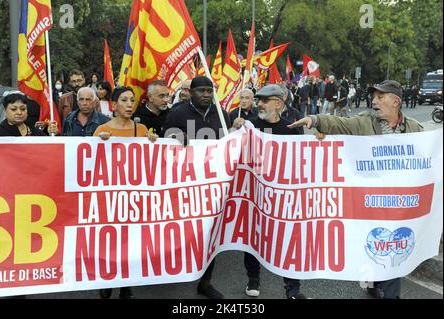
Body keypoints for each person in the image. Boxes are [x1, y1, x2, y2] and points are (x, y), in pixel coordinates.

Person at [288, 80, 423, 299]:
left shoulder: (415, 128)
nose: (374, 101)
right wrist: (315, 120)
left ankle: (387, 290)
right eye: (374, 96)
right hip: (368, 200)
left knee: (392, 252)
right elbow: (338, 123)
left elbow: (430, 154)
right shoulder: (364, 122)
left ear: (395, 101)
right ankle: (373, 280)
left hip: (398, 204)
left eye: (380, 97)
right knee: (376, 245)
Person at [230, 84, 306, 299]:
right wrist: (233, 131)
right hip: (254, 194)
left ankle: (292, 287)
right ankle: (253, 278)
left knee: (289, 239)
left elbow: (301, 159)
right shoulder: (248, 126)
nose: (259, 104)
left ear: (279, 104)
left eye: (265, 100)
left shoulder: (291, 128)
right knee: (252, 237)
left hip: (282, 196)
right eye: (258, 100)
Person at [162, 76, 231, 299]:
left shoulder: (223, 114)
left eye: (209, 91)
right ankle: (177, 269)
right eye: (201, 90)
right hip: (185, 183)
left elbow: (231, 143)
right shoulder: (178, 113)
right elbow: (166, 137)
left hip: (214, 184)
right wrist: (176, 135)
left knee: (211, 232)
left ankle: (205, 281)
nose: (206, 95)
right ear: (191, 92)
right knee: (184, 230)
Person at [94, 86, 157, 299]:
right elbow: (91, 166)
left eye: (132, 100)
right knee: (109, 241)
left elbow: (150, 165)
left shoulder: (142, 131)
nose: (130, 104)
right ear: (114, 104)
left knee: (130, 243)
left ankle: (126, 285)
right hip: (108, 199)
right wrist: (97, 145)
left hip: (134, 199)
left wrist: (153, 145)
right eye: (124, 100)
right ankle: (106, 280)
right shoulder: (102, 130)